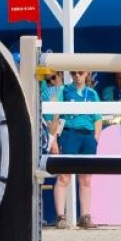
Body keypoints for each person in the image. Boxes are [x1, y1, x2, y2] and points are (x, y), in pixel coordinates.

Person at [48, 69, 102, 229]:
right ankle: (60, 216)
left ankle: (85, 216)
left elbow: (98, 119)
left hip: (87, 136)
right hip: (69, 134)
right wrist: (54, 141)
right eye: (74, 73)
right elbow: (56, 117)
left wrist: (95, 139)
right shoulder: (64, 91)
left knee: (86, 179)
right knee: (64, 177)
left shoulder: (92, 94)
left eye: (80, 73)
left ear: (87, 74)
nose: (77, 76)